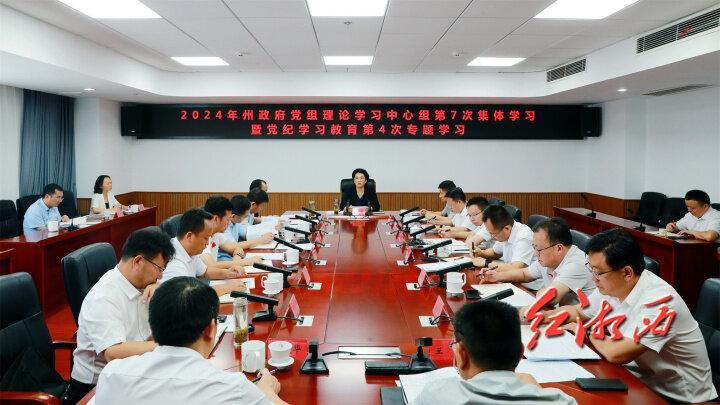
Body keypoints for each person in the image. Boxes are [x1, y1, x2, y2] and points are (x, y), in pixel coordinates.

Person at [547, 228, 717, 403]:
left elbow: (616, 352)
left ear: (627, 272)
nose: (593, 278)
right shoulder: (613, 284)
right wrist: (541, 317)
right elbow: (578, 311)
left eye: (597, 272)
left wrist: (585, 332)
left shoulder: (661, 303)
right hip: (642, 381)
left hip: (680, 398)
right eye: (591, 269)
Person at [95, 277, 287, 404]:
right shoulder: (233, 388)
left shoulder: (111, 375)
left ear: (153, 326)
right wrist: (267, 392)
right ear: (211, 329)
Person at [62, 227, 175, 403]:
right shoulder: (104, 296)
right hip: (95, 389)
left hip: (133, 372)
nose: (160, 275)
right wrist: (167, 346)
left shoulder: (142, 284)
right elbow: (113, 353)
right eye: (159, 268)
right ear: (138, 261)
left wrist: (163, 295)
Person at [411, 300, 576, 405]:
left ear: (461, 354)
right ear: (520, 353)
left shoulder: (436, 395)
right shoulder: (562, 402)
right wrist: (536, 390)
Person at [480, 218, 595, 306]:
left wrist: (540, 292)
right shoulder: (548, 256)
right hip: (562, 314)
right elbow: (525, 274)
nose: (535, 253)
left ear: (559, 248)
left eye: (538, 249)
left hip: (585, 324)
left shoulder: (576, 264)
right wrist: (497, 276)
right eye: (534, 247)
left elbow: (550, 298)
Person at [160, 208, 247, 297]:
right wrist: (227, 287)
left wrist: (228, 273)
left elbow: (205, 271)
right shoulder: (174, 263)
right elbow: (188, 296)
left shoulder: (188, 250)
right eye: (205, 238)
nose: (208, 243)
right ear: (189, 236)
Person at [471, 205, 536, 274]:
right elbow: (495, 252)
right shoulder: (504, 231)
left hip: (527, 280)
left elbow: (515, 269)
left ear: (506, 228)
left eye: (493, 234)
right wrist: (481, 253)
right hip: (510, 275)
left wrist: (487, 262)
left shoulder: (523, 237)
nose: (492, 237)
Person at [202, 195, 264, 267]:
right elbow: (211, 266)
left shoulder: (216, 234)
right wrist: (247, 261)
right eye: (227, 219)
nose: (229, 223)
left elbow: (234, 247)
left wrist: (237, 257)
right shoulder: (201, 236)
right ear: (216, 219)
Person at [219, 195, 276, 261]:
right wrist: (260, 240)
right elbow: (232, 247)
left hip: (233, 257)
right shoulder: (224, 226)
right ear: (233, 216)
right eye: (245, 216)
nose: (247, 217)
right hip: (225, 259)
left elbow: (248, 233)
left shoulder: (236, 222)